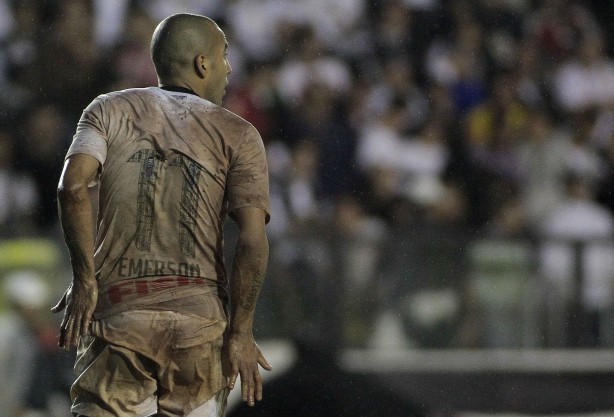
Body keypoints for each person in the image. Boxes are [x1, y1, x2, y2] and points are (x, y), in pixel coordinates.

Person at [51, 13, 272, 417]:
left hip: (122, 317)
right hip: (199, 327)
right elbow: (253, 240)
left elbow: (73, 186)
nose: (229, 68)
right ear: (202, 64)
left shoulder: (109, 109)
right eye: (224, 56)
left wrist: (85, 277)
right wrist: (240, 332)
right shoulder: (239, 134)